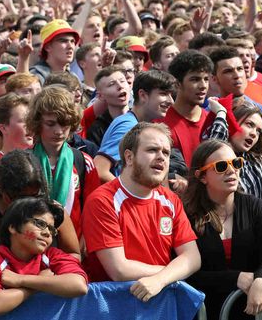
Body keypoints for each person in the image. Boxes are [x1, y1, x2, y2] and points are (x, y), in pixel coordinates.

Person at [82, 122, 201, 301]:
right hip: (113, 307)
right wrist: (172, 272)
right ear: (129, 157)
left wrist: (161, 280)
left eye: (166, 152)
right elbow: (119, 270)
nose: (161, 157)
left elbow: (193, 257)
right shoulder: (102, 200)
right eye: (152, 150)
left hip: (161, 303)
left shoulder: (170, 200)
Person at [184, 140, 262, 319]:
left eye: (236, 163)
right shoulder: (187, 215)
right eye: (220, 166)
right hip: (203, 312)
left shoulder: (256, 207)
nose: (232, 170)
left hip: (248, 312)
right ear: (202, 176)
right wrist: (235, 278)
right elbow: (187, 274)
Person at [0, 197, 88, 316]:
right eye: (40, 224)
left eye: (51, 230)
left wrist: (22, 280)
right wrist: (36, 286)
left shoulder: (53, 256)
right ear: (13, 227)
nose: (47, 233)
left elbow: (79, 285)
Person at [26, 86, 100, 236]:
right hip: (32, 242)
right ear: (37, 123)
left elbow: (93, 208)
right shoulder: (24, 162)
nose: (59, 131)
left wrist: (85, 239)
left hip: (73, 246)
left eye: (64, 123)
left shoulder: (84, 162)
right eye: (50, 124)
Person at [95, 70, 176, 183]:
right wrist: (127, 196)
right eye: (163, 94)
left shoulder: (139, 124)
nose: (171, 101)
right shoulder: (128, 126)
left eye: (171, 95)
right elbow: (100, 169)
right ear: (142, 95)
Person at [204, 98, 262, 206]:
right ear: (232, 124)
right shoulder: (220, 163)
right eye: (249, 125)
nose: (254, 134)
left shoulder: (255, 160)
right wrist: (221, 113)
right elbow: (214, 147)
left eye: (258, 131)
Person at [165, 50, 214, 167]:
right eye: (195, 79)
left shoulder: (213, 120)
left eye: (206, 79)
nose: (203, 86)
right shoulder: (159, 123)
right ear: (177, 84)